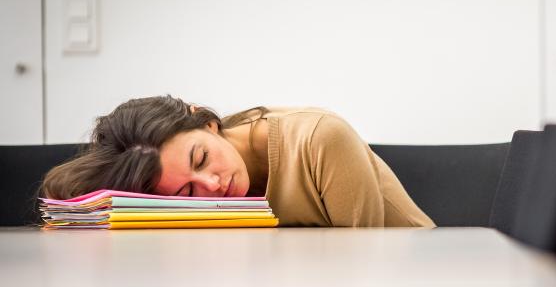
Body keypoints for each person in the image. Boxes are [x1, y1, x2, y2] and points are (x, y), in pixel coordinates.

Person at [42, 96, 435, 228]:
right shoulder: (185, 188)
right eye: (187, 191)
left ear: (208, 122)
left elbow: (368, 271)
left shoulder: (319, 140)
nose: (212, 186)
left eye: (201, 159)